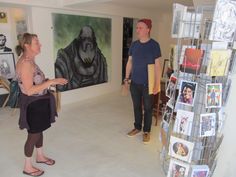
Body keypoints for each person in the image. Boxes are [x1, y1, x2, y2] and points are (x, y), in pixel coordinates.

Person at [15, 33, 68, 176]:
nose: (40, 45)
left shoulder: (30, 61)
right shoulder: (26, 63)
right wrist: (50, 82)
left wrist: (51, 81)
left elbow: (35, 82)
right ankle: (27, 166)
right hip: (34, 105)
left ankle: (40, 156)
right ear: (27, 45)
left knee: (39, 131)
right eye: (36, 42)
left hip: (40, 103)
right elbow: (29, 90)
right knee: (33, 135)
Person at [124, 19, 161, 144]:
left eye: (140, 27)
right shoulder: (134, 45)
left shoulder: (154, 45)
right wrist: (126, 78)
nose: (137, 30)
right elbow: (129, 62)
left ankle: (146, 131)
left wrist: (157, 83)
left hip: (148, 84)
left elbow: (157, 66)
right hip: (135, 83)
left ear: (148, 29)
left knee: (149, 108)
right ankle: (137, 127)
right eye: (137, 27)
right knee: (136, 106)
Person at [55, 25, 107, 91]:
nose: (87, 42)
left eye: (90, 39)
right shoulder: (64, 58)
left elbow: (104, 81)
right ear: (79, 40)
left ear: (93, 40)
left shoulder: (100, 59)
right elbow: (59, 87)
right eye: (84, 38)